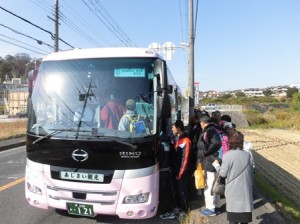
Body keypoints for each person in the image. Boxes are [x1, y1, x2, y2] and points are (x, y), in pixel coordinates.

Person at [212, 131, 254, 224]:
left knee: (233, 220)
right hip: (245, 191)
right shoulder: (248, 155)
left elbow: (222, 174)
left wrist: (216, 166)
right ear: (242, 142)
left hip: (233, 191)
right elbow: (251, 172)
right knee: (244, 220)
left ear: (230, 143)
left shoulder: (227, 156)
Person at [160, 120, 191, 220]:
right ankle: (179, 209)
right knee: (177, 191)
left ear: (178, 128)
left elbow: (185, 159)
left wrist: (180, 173)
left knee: (183, 192)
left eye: (173, 127)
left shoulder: (186, 140)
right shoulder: (176, 139)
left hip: (182, 172)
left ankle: (185, 211)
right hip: (176, 171)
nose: (172, 129)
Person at [196, 114, 222, 217]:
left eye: (200, 123)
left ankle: (211, 209)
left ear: (203, 122)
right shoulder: (212, 129)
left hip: (209, 162)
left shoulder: (209, 130)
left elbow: (216, 143)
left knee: (209, 185)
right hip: (212, 161)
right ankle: (217, 206)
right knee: (214, 185)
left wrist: (205, 153)